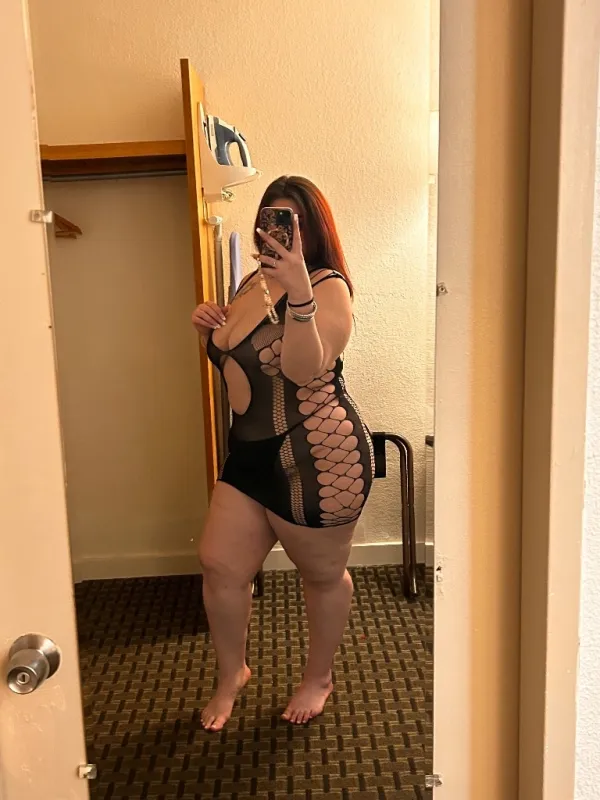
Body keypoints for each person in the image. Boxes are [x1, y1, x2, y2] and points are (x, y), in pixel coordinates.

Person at [191, 176, 374, 731]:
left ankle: (318, 678)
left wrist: (299, 293)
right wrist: (210, 324)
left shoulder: (328, 286)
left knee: (322, 576)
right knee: (219, 566)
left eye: (291, 221)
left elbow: (301, 369)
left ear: (312, 229)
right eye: (270, 218)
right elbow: (240, 362)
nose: (278, 231)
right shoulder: (252, 281)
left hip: (318, 457)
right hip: (249, 455)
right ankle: (233, 674)